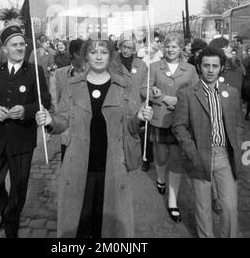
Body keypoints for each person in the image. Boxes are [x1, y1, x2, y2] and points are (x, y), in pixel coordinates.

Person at [36, 37, 153, 238]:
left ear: (110, 56)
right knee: (80, 221)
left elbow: (130, 126)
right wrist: (49, 121)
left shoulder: (123, 86)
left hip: (113, 165)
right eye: (93, 52)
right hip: (79, 164)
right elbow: (62, 120)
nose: (98, 56)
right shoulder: (72, 85)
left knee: (107, 222)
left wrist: (139, 118)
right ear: (85, 56)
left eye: (103, 52)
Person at [0, 25, 51, 238]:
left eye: (22, 44)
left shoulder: (34, 71)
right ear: (5, 48)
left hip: (22, 139)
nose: (19, 48)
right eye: (14, 45)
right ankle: (2, 207)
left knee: (19, 189)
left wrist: (27, 111)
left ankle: (11, 224)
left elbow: (44, 100)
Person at [172, 46, 244, 238]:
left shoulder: (231, 93)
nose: (210, 70)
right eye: (206, 66)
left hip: (224, 156)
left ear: (221, 67)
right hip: (200, 156)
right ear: (199, 67)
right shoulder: (187, 94)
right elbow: (179, 127)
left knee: (230, 206)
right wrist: (192, 152)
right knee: (203, 208)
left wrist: (236, 145)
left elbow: (238, 123)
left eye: (215, 66)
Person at [141, 33, 198, 222]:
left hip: (180, 122)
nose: (170, 50)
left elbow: (197, 92)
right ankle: (160, 178)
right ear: (163, 48)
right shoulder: (155, 67)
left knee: (176, 160)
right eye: (167, 47)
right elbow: (144, 89)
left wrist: (181, 101)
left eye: (174, 47)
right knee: (161, 156)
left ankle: (173, 202)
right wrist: (161, 97)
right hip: (160, 120)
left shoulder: (189, 69)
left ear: (180, 48)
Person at [116, 34, 153, 172]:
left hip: (136, 105)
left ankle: (142, 159)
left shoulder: (141, 65)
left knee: (139, 135)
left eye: (130, 48)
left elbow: (146, 85)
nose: (127, 50)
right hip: (119, 105)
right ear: (120, 47)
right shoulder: (113, 64)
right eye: (124, 47)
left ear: (134, 49)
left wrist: (151, 92)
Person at [55, 38, 85, 161]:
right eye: (83, 53)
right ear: (74, 54)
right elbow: (57, 100)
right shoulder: (60, 74)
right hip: (68, 130)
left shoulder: (94, 73)